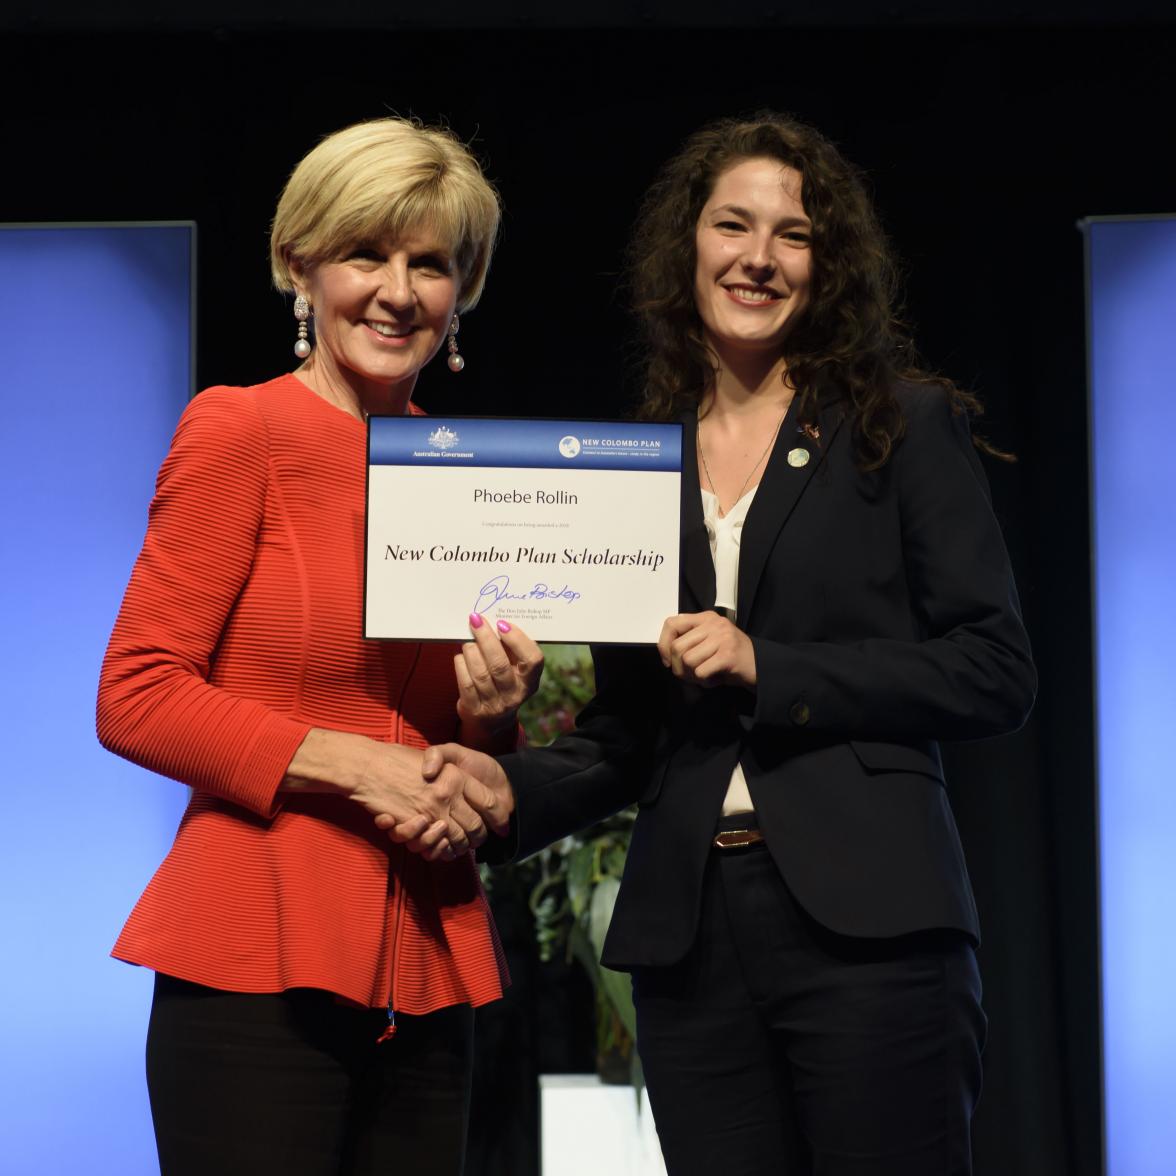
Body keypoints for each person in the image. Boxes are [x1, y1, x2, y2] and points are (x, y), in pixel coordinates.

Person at [414, 112, 1037, 1175]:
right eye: (732, 226)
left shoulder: (900, 423)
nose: (758, 257)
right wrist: (507, 786)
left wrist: (770, 666)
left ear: (826, 261)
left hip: (874, 932)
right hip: (691, 938)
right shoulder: (635, 464)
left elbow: (994, 668)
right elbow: (628, 734)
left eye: (791, 235)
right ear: (686, 246)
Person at [97, 117, 542, 1176]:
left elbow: (450, 759)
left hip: (426, 963)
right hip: (254, 959)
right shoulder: (238, 430)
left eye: (430, 263)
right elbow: (137, 691)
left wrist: (489, 718)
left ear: (462, 289)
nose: (397, 291)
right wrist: (352, 762)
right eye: (365, 253)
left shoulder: (464, 476)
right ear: (301, 265)